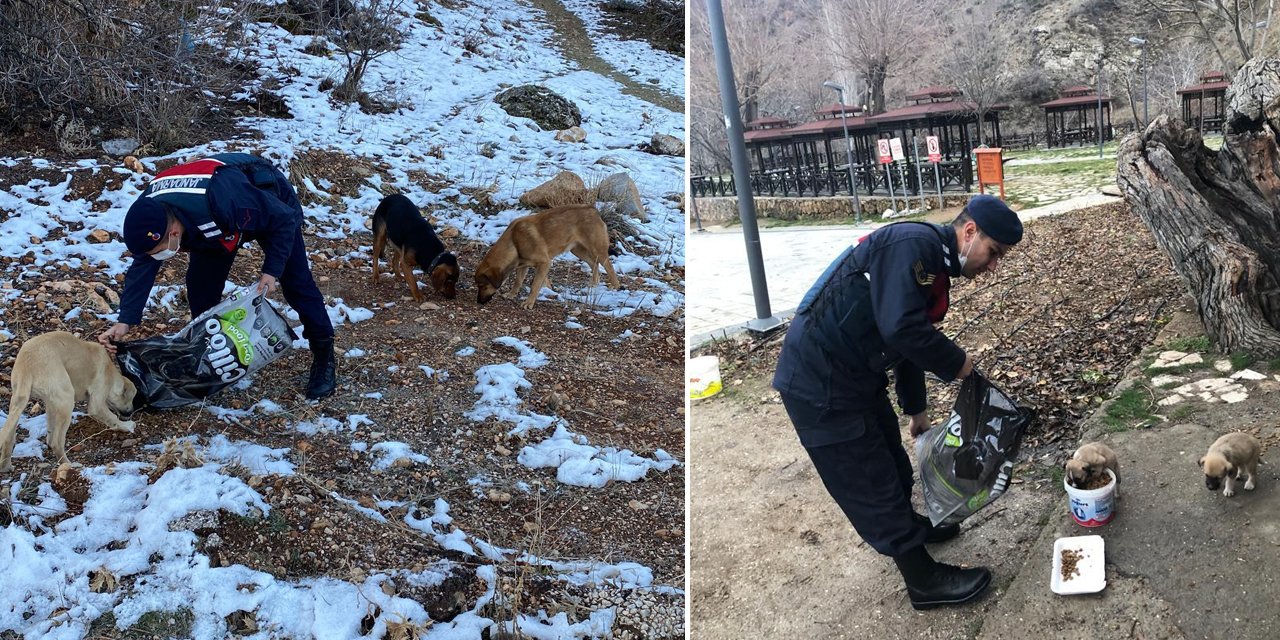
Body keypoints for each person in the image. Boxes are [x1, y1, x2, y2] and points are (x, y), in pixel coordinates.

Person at [772, 194, 1023, 610]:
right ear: (970, 231)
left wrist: (916, 411)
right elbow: (902, 328)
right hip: (819, 383)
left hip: (855, 375)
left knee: (890, 455)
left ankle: (911, 526)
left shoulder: (933, 264)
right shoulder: (912, 245)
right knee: (868, 477)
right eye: (993, 253)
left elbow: (906, 338)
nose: (993, 266)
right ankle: (922, 579)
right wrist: (961, 364)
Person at [97, 152, 337, 400]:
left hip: (266, 197)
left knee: (296, 282)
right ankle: (210, 356)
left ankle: (324, 354)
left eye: (161, 251)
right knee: (201, 286)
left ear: (174, 232)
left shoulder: (226, 200)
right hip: (213, 223)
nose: (159, 256)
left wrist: (271, 272)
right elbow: (143, 265)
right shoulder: (148, 215)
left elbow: (283, 220)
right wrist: (124, 320)